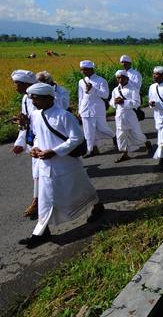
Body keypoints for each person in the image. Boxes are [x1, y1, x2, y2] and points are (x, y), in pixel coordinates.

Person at [19, 83, 103, 249]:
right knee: (45, 198)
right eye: (32, 98)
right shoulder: (35, 115)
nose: (33, 101)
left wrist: (55, 151)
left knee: (82, 187)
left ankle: (97, 206)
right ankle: (41, 232)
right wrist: (36, 147)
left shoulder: (64, 115)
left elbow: (76, 138)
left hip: (66, 164)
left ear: (48, 98)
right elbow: (36, 135)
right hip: (45, 164)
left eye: (36, 98)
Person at [11, 69, 39, 218]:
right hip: (32, 139)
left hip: (44, 140)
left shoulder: (40, 97)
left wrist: (27, 121)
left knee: (40, 173)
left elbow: (45, 120)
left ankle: (37, 201)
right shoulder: (24, 99)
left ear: (26, 84)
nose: (15, 87)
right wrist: (19, 143)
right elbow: (25, 123)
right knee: (38, 173)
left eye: (17, 83)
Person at [110, 70, 151, 163]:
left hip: (130, 115)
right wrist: (115, 102)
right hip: (119, 115)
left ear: (127, 78)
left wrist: (124, 102)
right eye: (118, 78)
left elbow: (137, 103)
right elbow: (111, 102)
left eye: (122, 77)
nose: (120, 79)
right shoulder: (115, 90)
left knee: (136, 133)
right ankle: (125, 154)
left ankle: (146, 142)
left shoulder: (133, 89)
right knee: (120, 135)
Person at [78, 60, 115, 158]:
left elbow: (106, 94)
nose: (83, 72)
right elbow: (80, 97)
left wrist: (93, 89)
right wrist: (79, 110)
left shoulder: (101, 80)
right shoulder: (81, 82)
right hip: (85, 108)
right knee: (87, 131)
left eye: (85, 70)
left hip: (97, 108)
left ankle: (114, 137)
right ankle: (91, 149)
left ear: (91, 69)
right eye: (82, 70)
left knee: (102, 127)